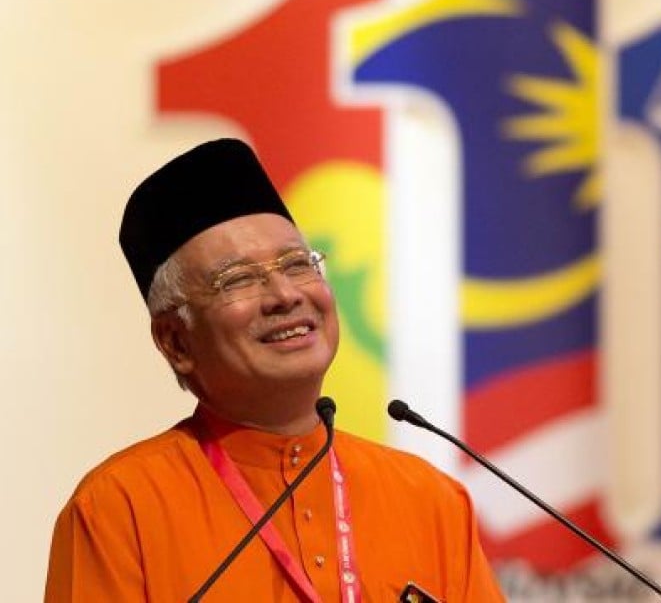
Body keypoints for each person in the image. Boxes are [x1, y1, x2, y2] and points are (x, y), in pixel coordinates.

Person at [45, 138, 504, 602]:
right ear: (175, 340)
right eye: (238, 278)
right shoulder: (119, 508)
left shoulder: (430, 500)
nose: (284, 294)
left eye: (297, 264)